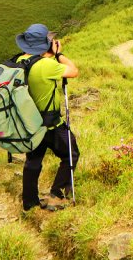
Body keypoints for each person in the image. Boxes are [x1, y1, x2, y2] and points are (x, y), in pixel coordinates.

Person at [14, 23, 80, 212]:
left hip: (29, 122)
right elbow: (73, 71)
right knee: (71, 154)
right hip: (50, 123)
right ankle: (57, 194)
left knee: (33, 161)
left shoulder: (20, 61)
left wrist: (48, 53)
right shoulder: (48, 65)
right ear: (46, 44)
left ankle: (30, 202)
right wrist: (58, 54)